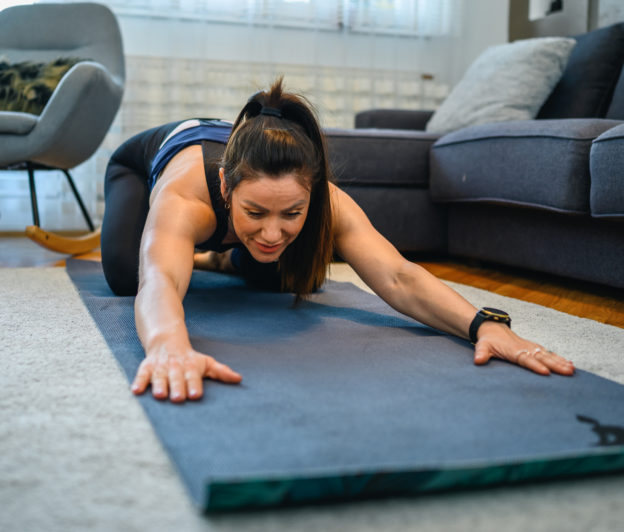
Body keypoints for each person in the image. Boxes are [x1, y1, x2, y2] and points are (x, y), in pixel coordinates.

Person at [101, 78, 575, 403]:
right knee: (128, 275)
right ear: (226, 188)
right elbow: (159, 278)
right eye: (254, 212)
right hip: (138, 166)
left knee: (281, 279)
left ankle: (219, 260)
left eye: (292, 213)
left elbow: (397, 275)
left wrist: (484, 325)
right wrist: (167, 344)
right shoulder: (187, 196)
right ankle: (206, 250)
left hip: (236, 181)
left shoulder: (326, 197)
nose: (272, 231)